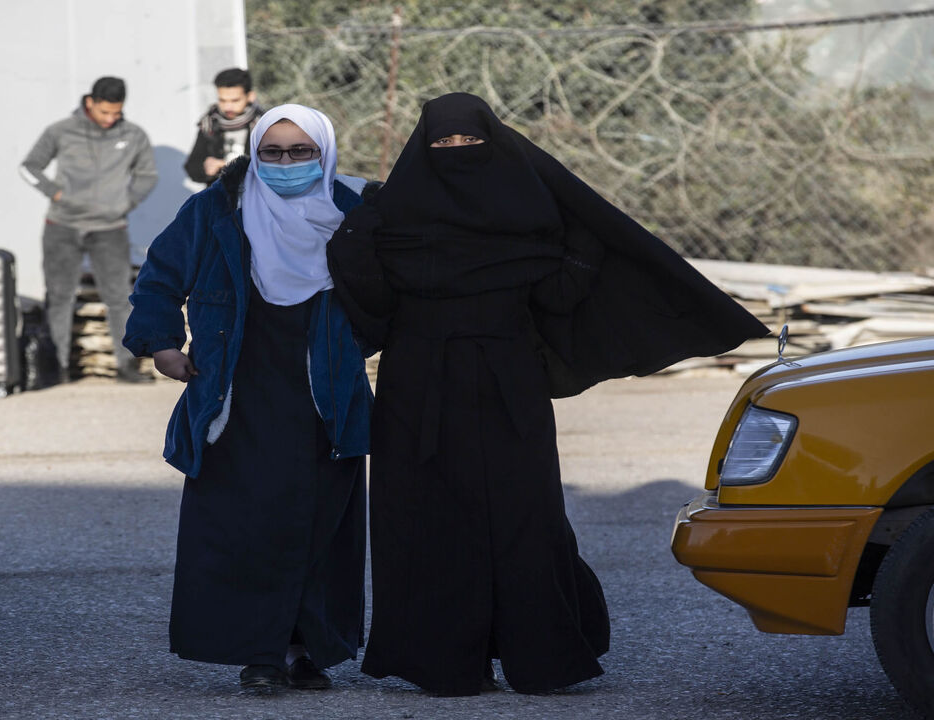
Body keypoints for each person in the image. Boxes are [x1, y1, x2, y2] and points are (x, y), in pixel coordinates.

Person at [327, 93, 769, 697]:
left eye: (469, 142)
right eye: (444, 144)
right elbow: (371, 313)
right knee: (425, 518)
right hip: (418, 389)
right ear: (421, 149)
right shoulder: (391, 221)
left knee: (524, 518)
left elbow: (558, 300)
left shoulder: (529, 217)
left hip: (509, 385)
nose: (457, 153)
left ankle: (543, 659)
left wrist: (584, 248)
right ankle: (443, 665)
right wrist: (355, 243)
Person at [123, 105, 373, 690]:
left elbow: (393, 288)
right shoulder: (215, 209)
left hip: (325, 397)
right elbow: (159, 275)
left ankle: (307, 650)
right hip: (236, 395)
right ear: (255, 153)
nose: (286, 164)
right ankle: (259, 655)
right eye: (273, 153)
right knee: (246, 527)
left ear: (324, 152)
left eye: (301, 152)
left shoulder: (353, 213)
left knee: (319, 527)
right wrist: (159, 342)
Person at [20, 76, 158, 383]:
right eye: (104, 112)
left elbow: (148, 175)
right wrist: (55, 193)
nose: (110, 119)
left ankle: (126, 367)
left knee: (120, 297)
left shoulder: (133, 135)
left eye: (116, 113)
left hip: (110, 228)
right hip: (62, 226)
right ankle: (57, 369)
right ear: (89, 103)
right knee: (59, 296)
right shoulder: (61, 131)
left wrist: (125, 203)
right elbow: (29, 167)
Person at [183, 68, 263, 185]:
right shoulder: (209, 124)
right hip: (220, 197)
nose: (228, 107)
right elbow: (192, 166)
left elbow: (273, 166)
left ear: (250, 96)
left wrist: (228, 164)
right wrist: (206, 168)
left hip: (256, 197)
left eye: (235, 100)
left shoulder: (264, 126)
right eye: (222, 100)